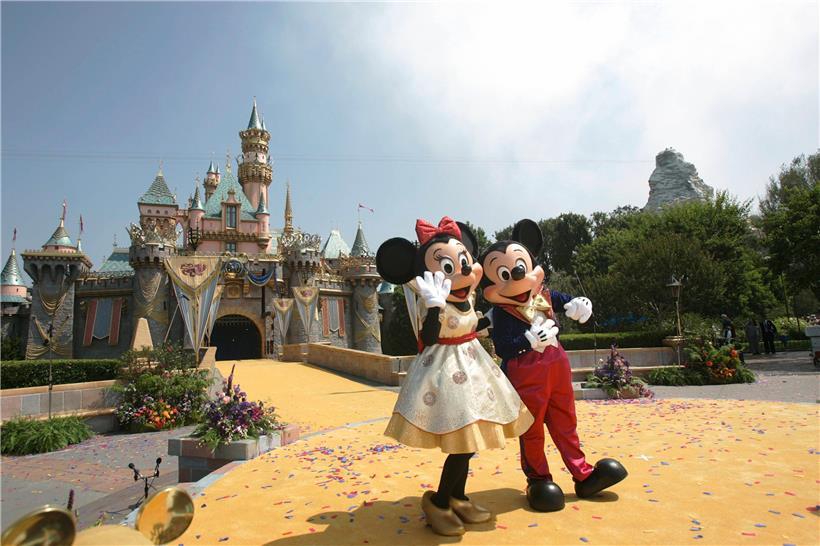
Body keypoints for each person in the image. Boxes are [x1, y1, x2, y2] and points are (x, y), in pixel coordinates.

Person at [376, 217, 533, 537]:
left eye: (464, 262)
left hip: (474, 367)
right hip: (445, 372)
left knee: (469, 441)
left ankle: (458, 497)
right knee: (462, 443)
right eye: (450, 266)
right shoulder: (430, 298)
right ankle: (439, 501)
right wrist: (433, 306)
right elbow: (430, 337)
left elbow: (471, 325)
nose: (462, 271)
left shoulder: (467, 297)